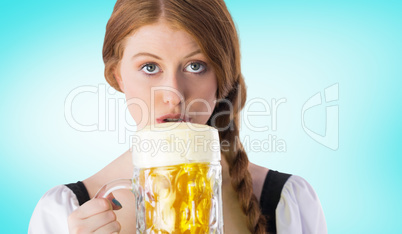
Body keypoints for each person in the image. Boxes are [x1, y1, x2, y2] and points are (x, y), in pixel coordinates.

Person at [29, 0, 327, 233]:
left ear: (222, 78)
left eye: (196, 66)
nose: (174, 94)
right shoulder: (65, 214)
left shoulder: (285, 201)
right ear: (118, 75)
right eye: (149, 67)